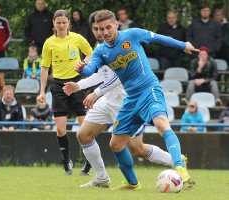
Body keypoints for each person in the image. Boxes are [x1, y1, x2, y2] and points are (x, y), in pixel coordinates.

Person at [76, 10, 198, 190]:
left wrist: (183, 45)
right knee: (116, 144)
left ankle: (179, 165)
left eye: (108, 27)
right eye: (100, 29)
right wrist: (81, 69)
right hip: (130, 98)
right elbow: (91, 69)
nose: (105, 32)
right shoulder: (101, 51)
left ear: (116, 24)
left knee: (162, 124)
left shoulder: (132, 35)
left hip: (149, 89)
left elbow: (158, 38)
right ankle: (132, 184)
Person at [37, 9, 93, 176]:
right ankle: (67, 160)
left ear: (68, 22)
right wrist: (41, 91)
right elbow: (45, 68)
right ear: (54, 24)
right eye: (58, 22)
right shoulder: (49, 43)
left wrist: (83, 63)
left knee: (84, 129)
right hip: (58, 87)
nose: (61, 25)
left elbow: (90, 53)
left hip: (77, 84)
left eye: (64, 22)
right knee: (61, 130)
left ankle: (89, 162)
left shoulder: (77, 38)